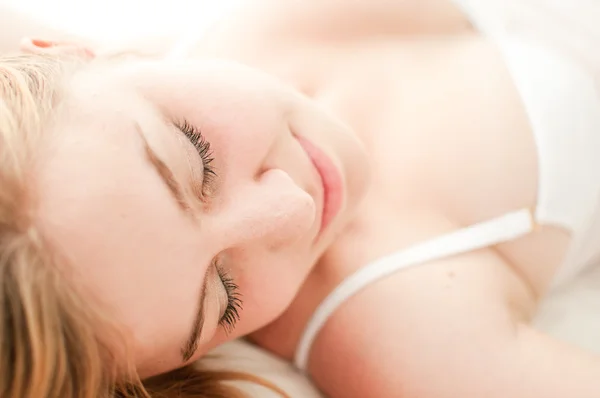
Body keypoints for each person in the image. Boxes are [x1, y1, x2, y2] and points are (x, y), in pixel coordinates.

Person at [1, 0, 600, 397]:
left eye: (196, 155)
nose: (294, 209)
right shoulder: (399, 328)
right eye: (224, 297)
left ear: (66, 49)